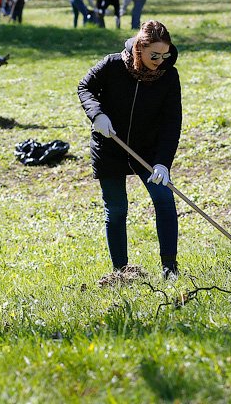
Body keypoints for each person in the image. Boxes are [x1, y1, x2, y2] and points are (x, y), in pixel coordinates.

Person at [77, 20, 182, 281]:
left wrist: (163, 163)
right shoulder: (112, 65)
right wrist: (97, 114)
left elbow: (172, 122)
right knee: (117, 208)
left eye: (164, 55)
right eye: (154, 55)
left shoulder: (169, 75)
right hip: (110, 143)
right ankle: (121, 271)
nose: (160, 61)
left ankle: (169, 267)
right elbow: (85, 87)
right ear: (139, 49)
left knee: (164, 200)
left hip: (148, 149)